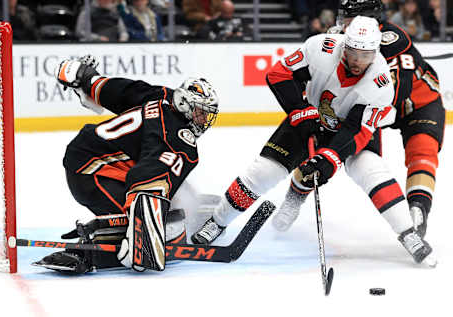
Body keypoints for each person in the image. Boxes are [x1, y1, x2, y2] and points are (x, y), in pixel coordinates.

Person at [191, 16, 436, 267]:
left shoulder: (381, 82)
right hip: (310, 115)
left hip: (351, 128)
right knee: (263, 172)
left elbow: (357, 130)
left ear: (375, 52)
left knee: (371, 169)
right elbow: (279, 74)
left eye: (366, 55)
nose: (358, 61)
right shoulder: (320, 47)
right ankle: (218, 221)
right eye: (353, 52)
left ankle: (408, 234)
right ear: (344, 45)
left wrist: (328, 158)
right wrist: (300, 110)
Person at [33, 55, 219, 273]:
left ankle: (128, 228)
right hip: (91, 173)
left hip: (88, 153)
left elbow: (120, 91)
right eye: (199, 112)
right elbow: (144, 178)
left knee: (170, 198)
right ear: (184, 103)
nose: (203, 120)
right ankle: (89, 252)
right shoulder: (178, 138)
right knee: (168, 232)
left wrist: (87, 79)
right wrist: (143, 235)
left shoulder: (162, 96)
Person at [324, 0, 445, 238]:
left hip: (417, 102)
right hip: (379, 102)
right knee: (358, 157)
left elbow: (397, 93)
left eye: (348, 18)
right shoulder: (346, 38)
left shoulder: (392, 41)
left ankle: (418, 209)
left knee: (422, 151)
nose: (342, 24)